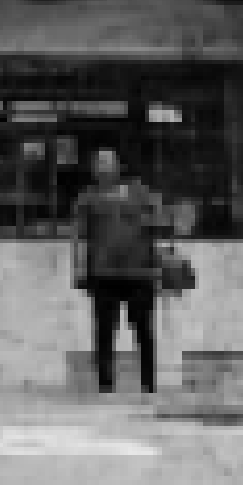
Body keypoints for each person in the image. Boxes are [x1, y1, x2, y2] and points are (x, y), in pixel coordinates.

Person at [71, 148, 168, 395]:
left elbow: (159, 226)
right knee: (104, 330)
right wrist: (79, 270)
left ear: (118, 165)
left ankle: (149, 385)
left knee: (144, 329)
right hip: (103, 274)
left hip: (140, 273)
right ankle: (105, 385)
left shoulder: (140, 192)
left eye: (107, 162)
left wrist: (161, 263)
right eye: (98, 163)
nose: (102, 167)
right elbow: (80, 238)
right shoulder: (87, 198)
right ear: (93, 169)